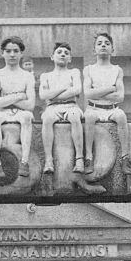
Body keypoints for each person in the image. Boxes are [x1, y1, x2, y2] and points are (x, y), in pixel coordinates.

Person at [81, 32, 131, 175]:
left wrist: (97, 92)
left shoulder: (117, 69)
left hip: (112, 108)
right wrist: (110, 88)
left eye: (107, 43)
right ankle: (89, 158)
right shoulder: (89, 69)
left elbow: (120, 96)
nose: (103, 45)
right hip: (94, 108)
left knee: (121, 116)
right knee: (89, 117)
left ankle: (125, 157)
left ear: (112, 49)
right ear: (94, 50)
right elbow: (88, 94)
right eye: (99, 43)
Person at [0, 36, 36, 183]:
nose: (12, 54)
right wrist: (18, 96)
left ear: (21, 53)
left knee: (27, 117)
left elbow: (30, 105)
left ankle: (24, 161)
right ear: (3, 53)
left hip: (21, 112)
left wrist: (8, 98)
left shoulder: (27, 76)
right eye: (8, 51)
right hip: (2, 112)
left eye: (16, 51)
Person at [39, 41, 84, 175]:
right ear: (52, 56)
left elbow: (77, 89)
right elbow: (43, 95)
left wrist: (53, 95)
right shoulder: (46, 76)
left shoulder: (74, 72)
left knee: (75, 116)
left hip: (71, 106)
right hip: (52, 108)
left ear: (70, 58)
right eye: (59, 52)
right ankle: (48, 160)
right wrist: (65, 88)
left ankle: (79, 159)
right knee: (46, 118)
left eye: (66, 53)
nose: (63, 55)